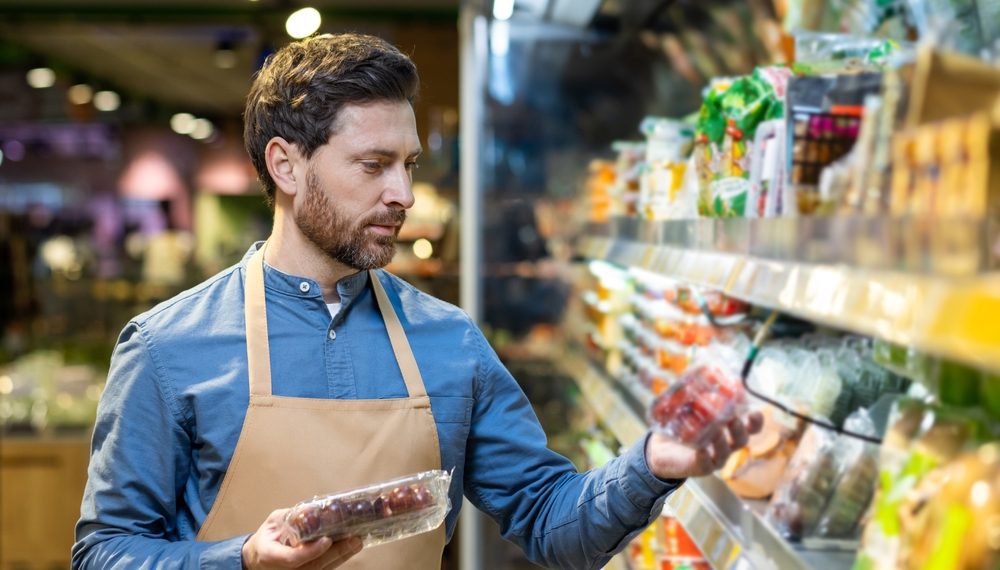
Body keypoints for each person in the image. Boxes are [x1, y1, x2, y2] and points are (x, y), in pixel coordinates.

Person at [73, 33, 761, 570]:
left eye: (409, 166)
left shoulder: (448, 340)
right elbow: (104, 552)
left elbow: (555, 527)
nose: (402, 194)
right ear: (285, 165)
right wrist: (244, 559)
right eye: (374, 166)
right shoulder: (168, 347)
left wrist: (652, 463)